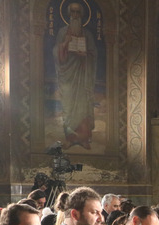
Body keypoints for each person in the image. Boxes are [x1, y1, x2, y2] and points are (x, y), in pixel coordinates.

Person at [54, 2, 98, 150]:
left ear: (82, 14)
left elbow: (93, 55)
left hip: (83, 75)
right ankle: (70, 138)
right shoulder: (62, 32)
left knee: (83, 106)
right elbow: (56, 55)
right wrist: (65, 44)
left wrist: (85, 55)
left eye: (78, 12)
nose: (75, 15)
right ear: (68, 14)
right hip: (68, 76)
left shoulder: (88, 35)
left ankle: (84, 138)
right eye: (72, 12)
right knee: (68, 106)